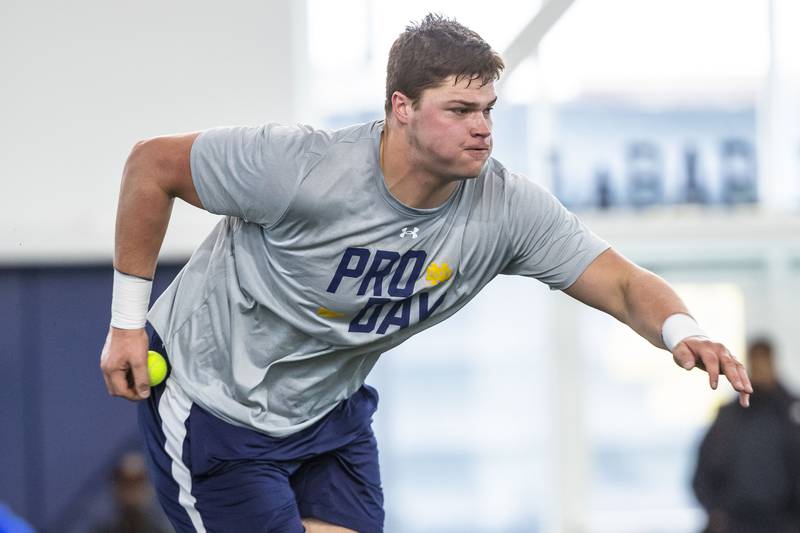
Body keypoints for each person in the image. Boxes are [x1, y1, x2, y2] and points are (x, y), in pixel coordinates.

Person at [100, 13, 753, 533]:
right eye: (460, 111)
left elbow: (618, 280)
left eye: (489, 110)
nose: (483, 130)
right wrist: (126, 325)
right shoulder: (298, 165)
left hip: (329, 411)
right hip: (217, 403)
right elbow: (149, 166)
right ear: (401, 107)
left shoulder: (504, 208)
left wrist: (682, 329)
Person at [693, 339, 800, 533]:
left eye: (764, 362)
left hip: (784, 523)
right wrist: (716, 514)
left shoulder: (793, 413)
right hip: (735, 522)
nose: (760, 370)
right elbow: (703, 471)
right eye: (755, 363)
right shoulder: (728, 417)